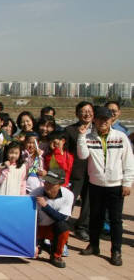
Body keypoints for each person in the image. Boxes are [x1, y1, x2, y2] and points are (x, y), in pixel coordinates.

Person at [77, 106, 134, 266]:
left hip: (116, 185)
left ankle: (116, 251)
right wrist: (81, 136)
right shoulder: (88, 137)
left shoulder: (121, 137)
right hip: (96, 184)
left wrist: (127, 182)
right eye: (100, 118)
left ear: (111, 120)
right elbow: (83, 155)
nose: (103, 122)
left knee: (116, 220)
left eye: (106, 119)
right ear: (94, 120)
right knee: (96, 217)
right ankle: (94, 245)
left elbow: (128, 161)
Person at [65, 101, 94, 241]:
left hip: (94, 172)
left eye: (89, 110)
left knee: (88, 202)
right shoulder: (70, 130)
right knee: (69, 199)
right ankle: (63, 224)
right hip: (75, 172)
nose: (87, 113)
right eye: (83, 111)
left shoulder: (98, 130)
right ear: (77, 114)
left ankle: (81, 227)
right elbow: (66, 152)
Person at [33, 168, 73, 268]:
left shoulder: (68, 195)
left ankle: (56, 256)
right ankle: (39, 244)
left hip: (52, 228)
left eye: (51, 183)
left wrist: (45, 206)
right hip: (38, 228)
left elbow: (62, 217)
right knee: (32, 253)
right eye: (46, 181)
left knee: (63, 226)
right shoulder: (36, 192)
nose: (47, 185)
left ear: (60, 184)